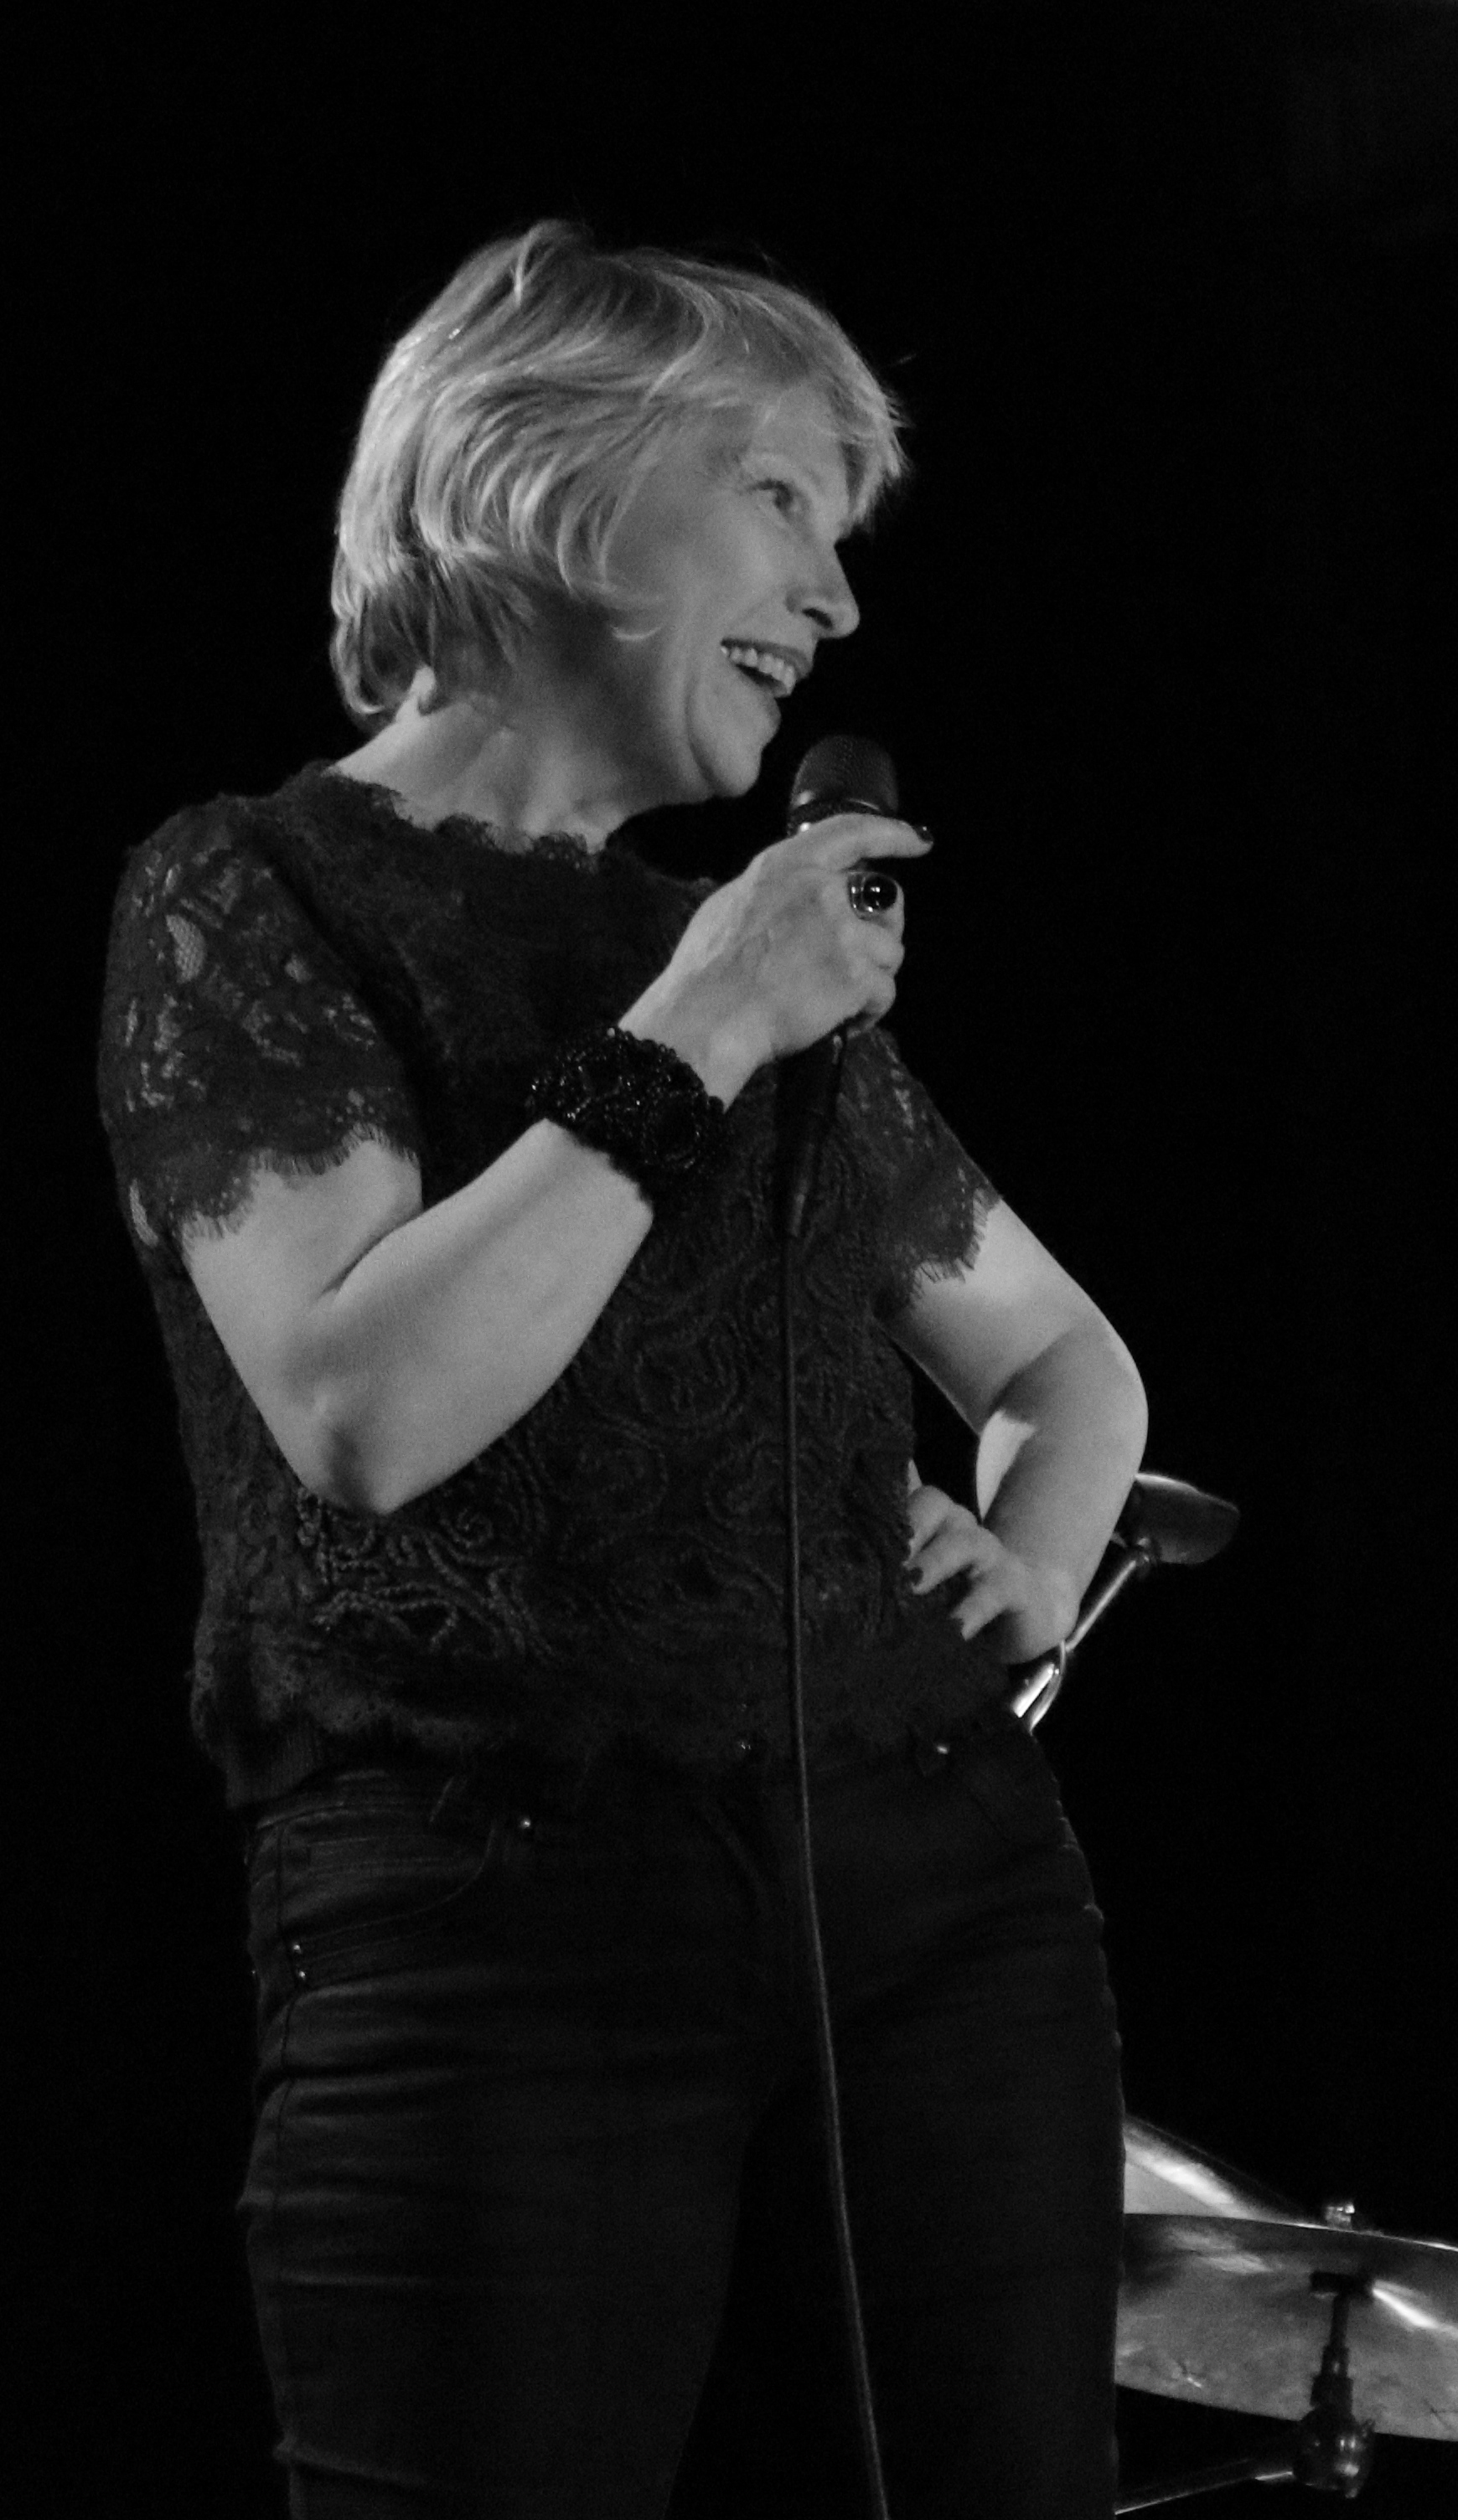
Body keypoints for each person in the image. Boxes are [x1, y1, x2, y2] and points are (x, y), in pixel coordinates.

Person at [97, 221, 1147, 2519]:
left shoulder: (735, 952)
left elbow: (1069, 1364)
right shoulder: (257, 895)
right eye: (782, 500)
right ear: (551, 479)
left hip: (934, 1900)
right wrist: (702, 1024)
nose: (835, 600)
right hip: (493, 1927)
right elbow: (366, 1413)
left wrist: (1029, 1579)